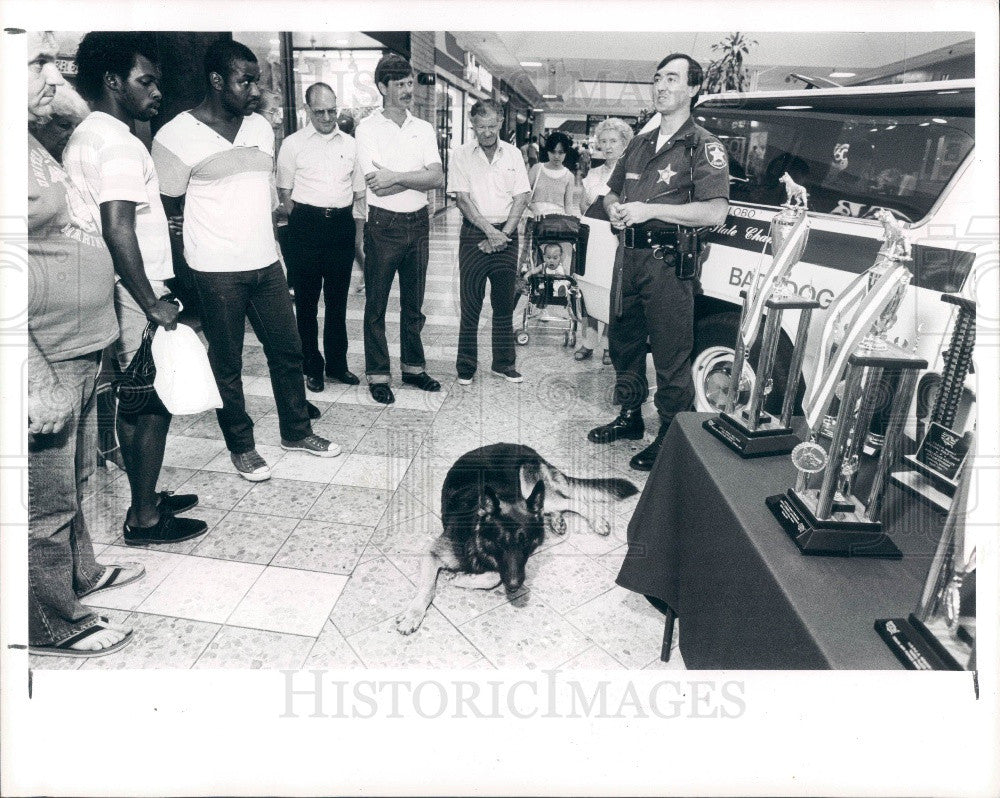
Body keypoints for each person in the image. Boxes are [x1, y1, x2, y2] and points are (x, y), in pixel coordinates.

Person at [152, 39, 339, 482]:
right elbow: (168, 207)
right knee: (228, 363)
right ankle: (242, 445)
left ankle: (296, 430)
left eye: (256, 79)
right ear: (216, 81)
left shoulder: (259, 128)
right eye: (245, 80)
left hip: (267, 264)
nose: (255, 89)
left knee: (288, 351)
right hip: (215, 270)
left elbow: (264, 194)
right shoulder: (175, 136)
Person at [65, 31, 208, 545]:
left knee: (136, 398)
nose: (156, 92)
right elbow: (117, 226)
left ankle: (146, 495)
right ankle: (145, 517)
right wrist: (152, 302)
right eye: (145, 81)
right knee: (148, 402)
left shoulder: (87, 135)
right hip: (133, 289)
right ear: (112, 82)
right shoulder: (121, 143)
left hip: (111, 283)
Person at [27, 32, 142, 657]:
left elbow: (76, 109)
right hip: (43, 351)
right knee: (42, 502)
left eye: (57, 61)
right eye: (39, 62)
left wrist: (44, 84)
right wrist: (30, 372)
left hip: (78, 342)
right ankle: (48, 620)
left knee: (75, 479)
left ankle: (79, 574)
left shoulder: (26, 135)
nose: (56, 75)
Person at [587, 53, 730, 471]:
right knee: (624, 343)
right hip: (627, 257)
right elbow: (611, 192)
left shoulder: (702, 146)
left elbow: (714, 212)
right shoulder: (639, 143)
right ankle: (631, 417)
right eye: (658, 78)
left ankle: (670, 432)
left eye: (673, 78)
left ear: (693, 89)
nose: (662, 86)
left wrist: (650, 210)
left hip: (667, 261)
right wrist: (615, 208)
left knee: (670, 352)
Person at [355, 53, 445, 405]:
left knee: (415, 303)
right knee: (376, 305)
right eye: (401, 84)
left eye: (410, 83)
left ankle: (413, 368)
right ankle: (378, 374)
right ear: (382, 87)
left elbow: (436, 177)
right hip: (383, 226)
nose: (409, 90)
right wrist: (413, 179)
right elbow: (376, 185)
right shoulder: (367, 129)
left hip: (418, 224)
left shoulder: (422, 128)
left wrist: (397, 176)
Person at [277, 82, 365, 393]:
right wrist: (303, 218)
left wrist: (357, 236)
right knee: (307, 302)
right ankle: (311, 366)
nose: (328, 117)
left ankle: (337, 366)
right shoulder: (292, 144)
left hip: (340, 225)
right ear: (307, 110)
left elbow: (358, 193)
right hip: (306, 227)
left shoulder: (351, 144)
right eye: (320, 112)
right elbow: (284, 192)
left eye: (332, 110)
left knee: (338, 302)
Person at [448, 99, 531, 386]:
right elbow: (462, 199)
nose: (486, 132)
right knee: (470, 303)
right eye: (480, 126)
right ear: (472, 125)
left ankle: (504, 363)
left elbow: (522, 197)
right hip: (474, 234)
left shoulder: (513, 155)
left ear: (500, 124)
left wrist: (503, 234)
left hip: (506, 233)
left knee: (504, 304)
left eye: (492, 126)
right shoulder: (460, 155)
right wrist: (489, 232)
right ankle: (466, 365)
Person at [575, 117, 634, 362]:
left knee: (613, 290)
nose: (608, 146)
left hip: (616, 241)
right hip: (593, 241)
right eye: (603, 141)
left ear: (625, 143)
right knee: (589, 288)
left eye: (613, 141)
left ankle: (610, 345)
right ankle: (588, 342)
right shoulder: (593, 174)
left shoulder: (631, 174)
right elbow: (584, 207)